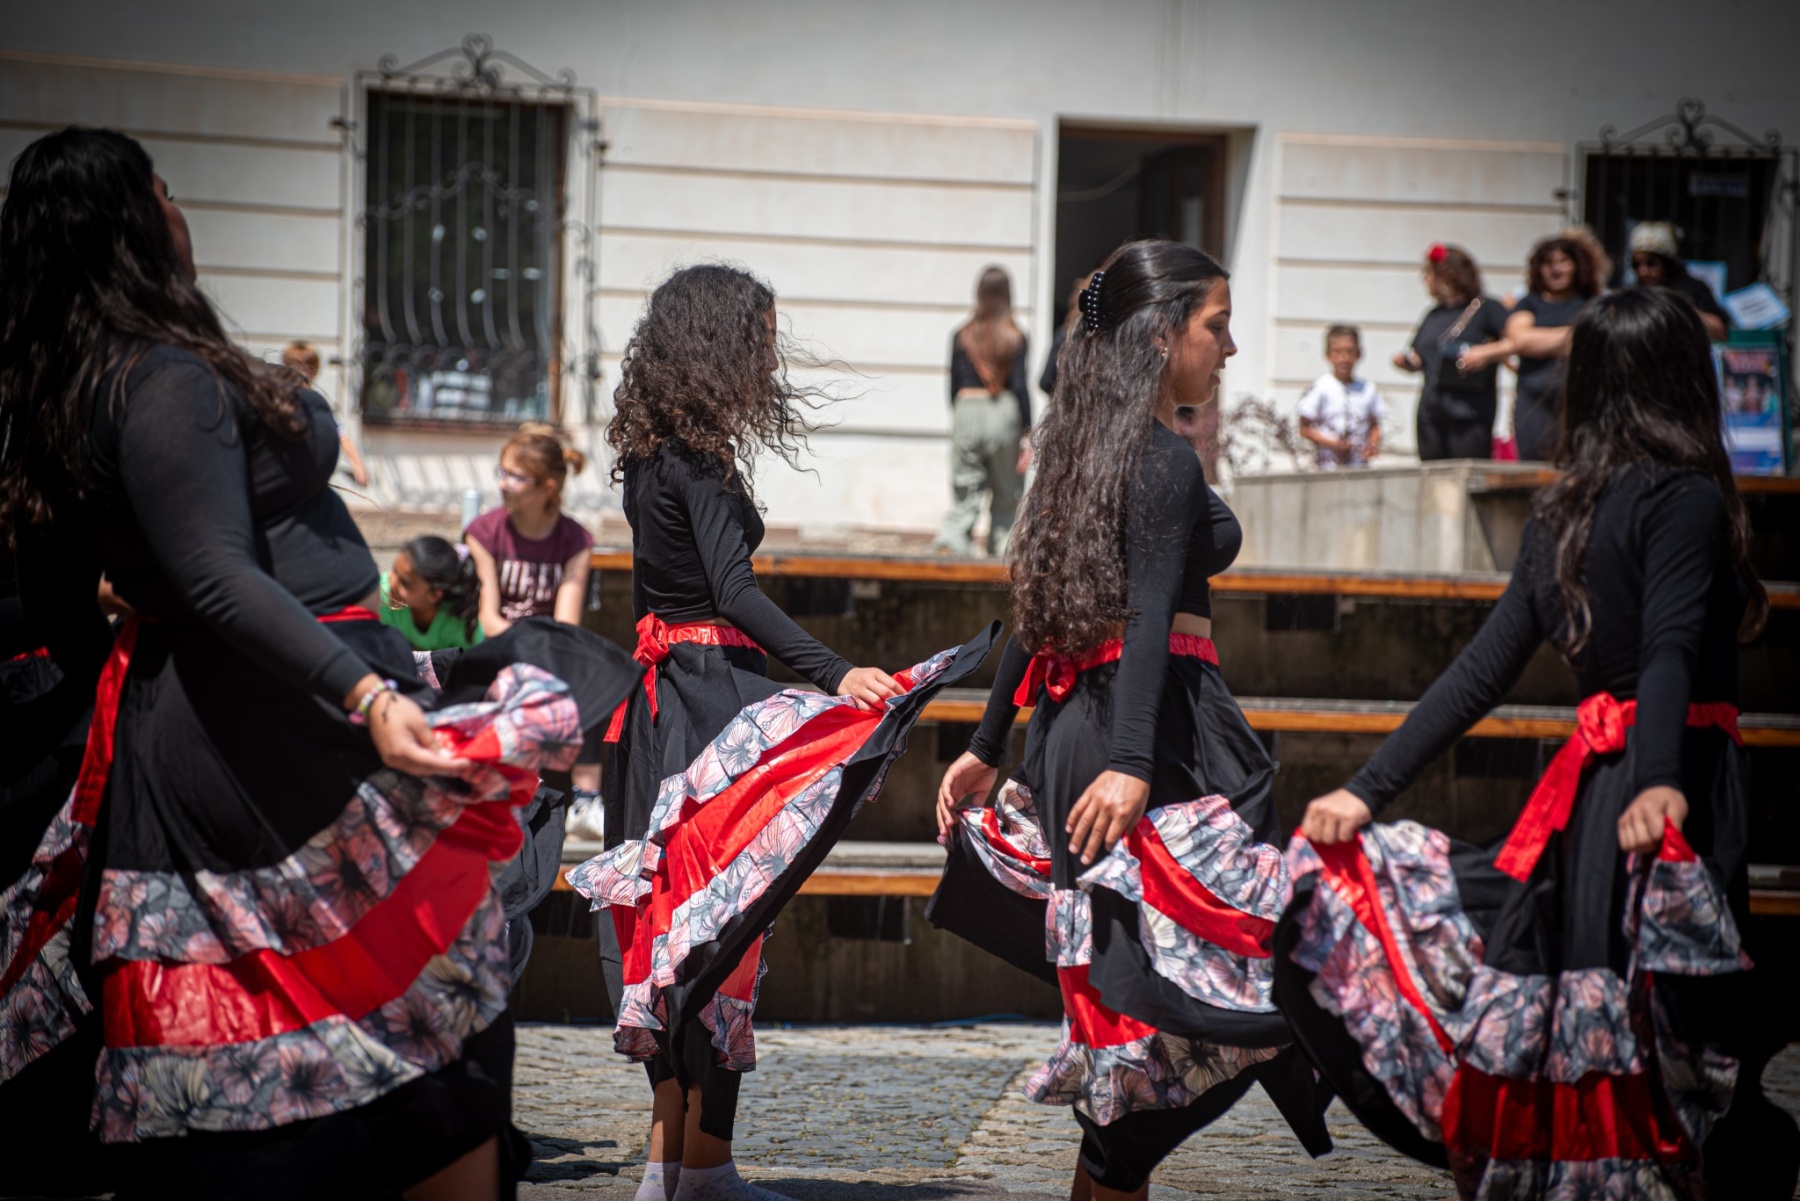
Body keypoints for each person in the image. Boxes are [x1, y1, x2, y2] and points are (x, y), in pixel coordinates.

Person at [0, 127, 640, 1197]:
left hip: (230, 720)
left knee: (316, 1026)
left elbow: (73, 601)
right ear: (129, 222)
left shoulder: (75, 392)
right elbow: (213, 572)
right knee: (426, 1009)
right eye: (164, 189)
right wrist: (367, 693)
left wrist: (144, 695)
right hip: (283, 730)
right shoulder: (159, 381)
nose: (180, 209)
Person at [1281, 287, 1769, 1199]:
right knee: (1678, 1036)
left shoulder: (1562, 511)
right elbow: (1667, 649)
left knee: (1610, 1029)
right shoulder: (1687, 499)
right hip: (1677, 787)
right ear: (1684, 381)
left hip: (1597, 798)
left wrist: (1366, 788)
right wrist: (1661, 778)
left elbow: (1478, 675)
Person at [567, 263, 993, 1201]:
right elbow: (734, 592)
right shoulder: (701, 460)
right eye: (760, 337)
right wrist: (836, 672)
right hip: (714, 701)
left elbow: (657, 596)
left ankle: (672, 1167)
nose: (769, 355)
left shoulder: (647, 456)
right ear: (719, 344)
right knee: (728, 924)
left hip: (658, 703)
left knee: (670, 927)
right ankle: (701, 1169)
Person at [931, 242, 1327, 1201]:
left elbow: (1037, 602)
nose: (1230, 348)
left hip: (1088, 727)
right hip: (1143, 734)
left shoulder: (1080, 452)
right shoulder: (1158, 459)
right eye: (1216, 326)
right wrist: (1132, 762)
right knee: (1214, 1000)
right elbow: (1147, 614)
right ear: (1160, 334)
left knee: (1142, 1013)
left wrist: (988, 744)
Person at [465, 428, 601, 829]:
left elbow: (566, 621)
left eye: (515, 476)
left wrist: (542, 657)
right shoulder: (484, 532)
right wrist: (525, 652)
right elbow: (488, 616)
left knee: (594, 676)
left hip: (550, 649)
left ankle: (586, 800)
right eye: (502, 472)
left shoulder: (575, 539)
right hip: (498, 646)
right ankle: (506, 794)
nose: (503, 483)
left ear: (547, 487)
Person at [1459, 235, 1605, 462]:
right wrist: (1571, 336)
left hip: (1579, 401)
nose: (1556, 269)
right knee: (1531, 467)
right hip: (1533, 401)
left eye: (1564, 262)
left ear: (1578, 266)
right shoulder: (1528, 303)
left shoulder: (1593, 304)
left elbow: (1591, 341)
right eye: (1548, 263)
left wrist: (1537, 342)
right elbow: (1519, 339)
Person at [932, 266, 1031, 557]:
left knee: (966, 485)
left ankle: (953, 540)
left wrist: (961, 417)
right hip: (1004, 412)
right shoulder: (1016, 336)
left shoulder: (961, 335)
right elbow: (1020, 387)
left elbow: (953, 385)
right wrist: (1027, 431)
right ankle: (1004, 545)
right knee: (1007, 488)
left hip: (967, 407)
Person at [1393, 244, 1508, 461]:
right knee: (1432, 476)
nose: (1424, 280)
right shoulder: (1434, 314)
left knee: (1466, 474)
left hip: (1469, 413)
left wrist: (1484, 353)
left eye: (1428, 273)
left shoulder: (1487, 308)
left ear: (1446, 275)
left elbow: (1516, 342)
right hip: (1432, 412)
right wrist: (1407, 362)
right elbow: (1421, 357)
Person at [283, 339, 371, 488]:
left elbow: (340, 433)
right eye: (296, 367)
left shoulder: (316, 402)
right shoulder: (281, 398)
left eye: (308, 367)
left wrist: (357, 463)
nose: (303, 373)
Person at [1297, 324, 1385, 468]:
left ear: (1359, 354)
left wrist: (1373, 443)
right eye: (1337, 352)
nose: (1344, 358)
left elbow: (1374, 424)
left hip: (1359, 466)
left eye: (1350, 352)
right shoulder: (1321, 387)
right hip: (1327, 466)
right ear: (1328, 355)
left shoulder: (1368, 389)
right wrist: (1333, 443)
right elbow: (1304, 428)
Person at [380, 533, 485, 651]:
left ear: (434, 595)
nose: (392, 582)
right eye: (394, 570)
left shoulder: (459, 623)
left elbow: (474, 660)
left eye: (405, 583)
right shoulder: (381, 596)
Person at [1629, 221, 1729, 342]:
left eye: (1651, 263)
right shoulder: (1633, 293)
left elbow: (1720, 333)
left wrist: (1679, 307)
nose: (1643, 271)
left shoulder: (1693, 288)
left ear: (1667, 263)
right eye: (1636, 264)